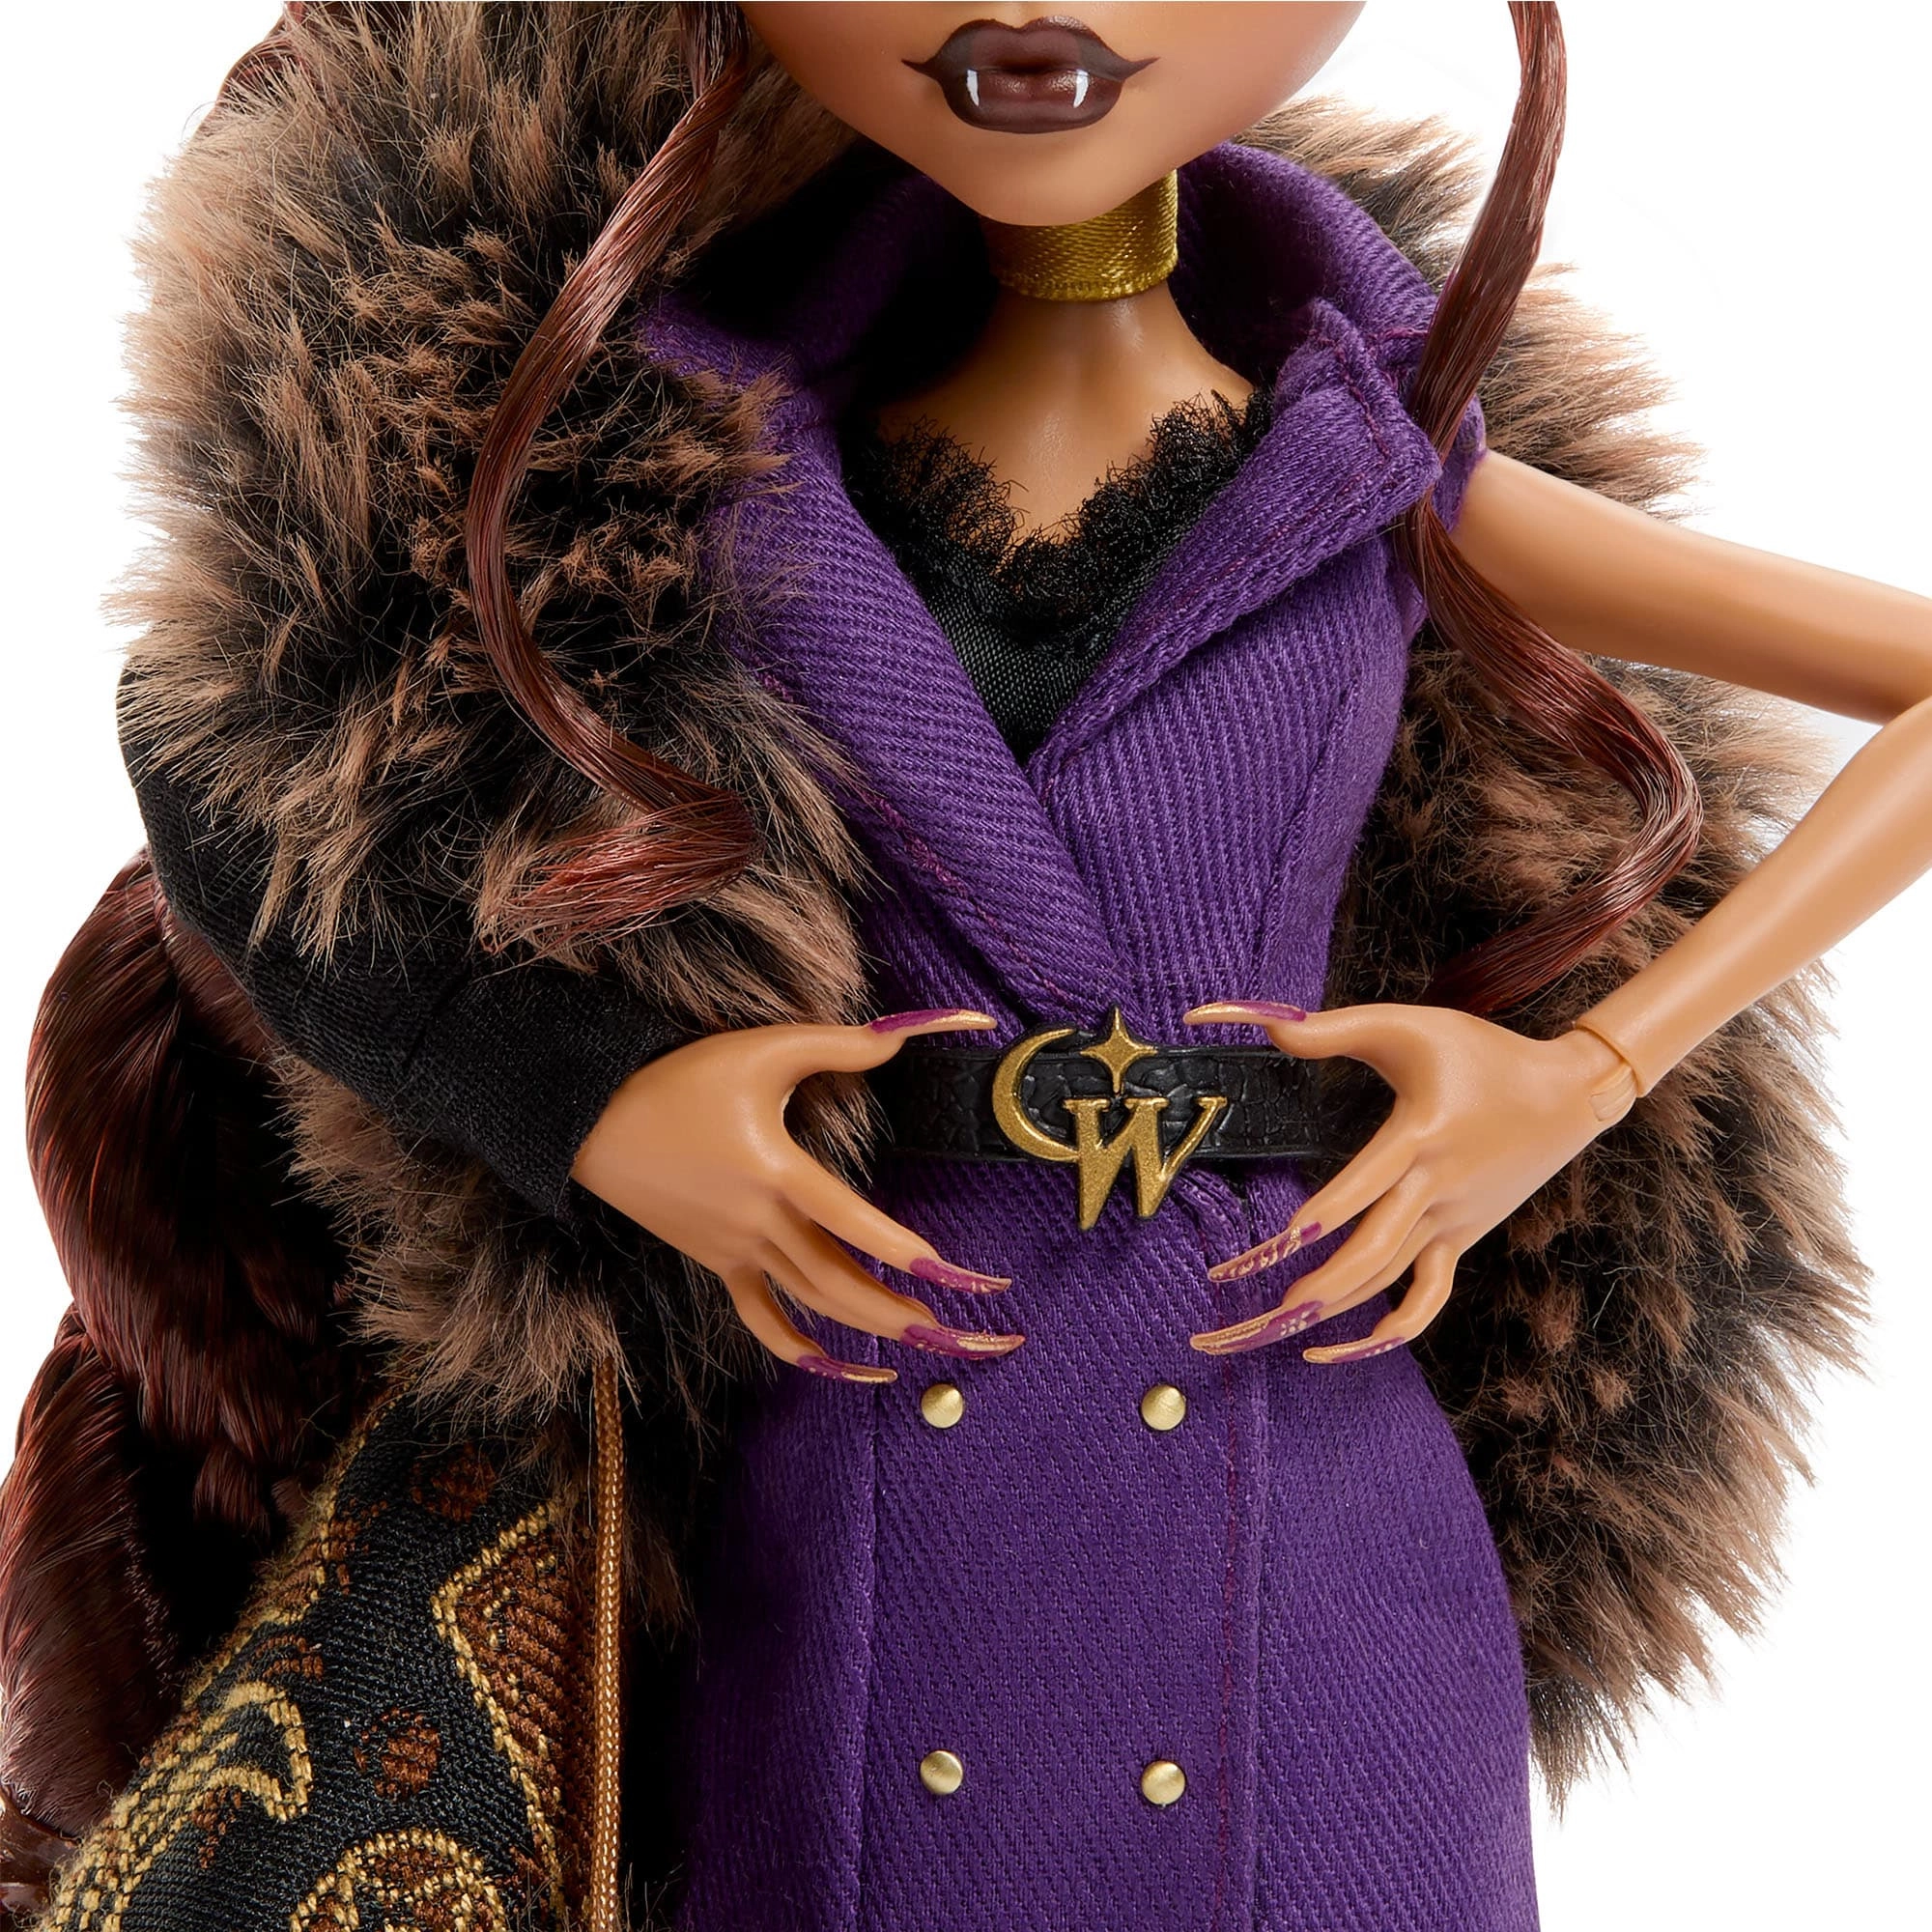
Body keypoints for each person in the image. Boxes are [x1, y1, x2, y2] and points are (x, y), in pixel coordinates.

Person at [0, 5, 1912, 1927]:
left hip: (1297, 1467)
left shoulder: (1383, 475)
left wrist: (1588, 1072)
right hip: (874, 1469)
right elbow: (216, 757)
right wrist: (581, 1095)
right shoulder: (690, 461)